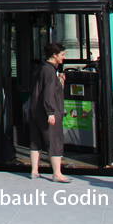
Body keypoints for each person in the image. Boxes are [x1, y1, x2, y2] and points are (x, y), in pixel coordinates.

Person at [29, 42, 70, 182]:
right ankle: (57, 173)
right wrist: (50, 112)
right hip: (47, 111)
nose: (63, 58)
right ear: (55, 55)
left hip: (34, 109)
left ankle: (34, 171)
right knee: (54, 141)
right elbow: (48, 92)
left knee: (36, 141)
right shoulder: (50, 71)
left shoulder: (41, 67)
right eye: (62, 55)